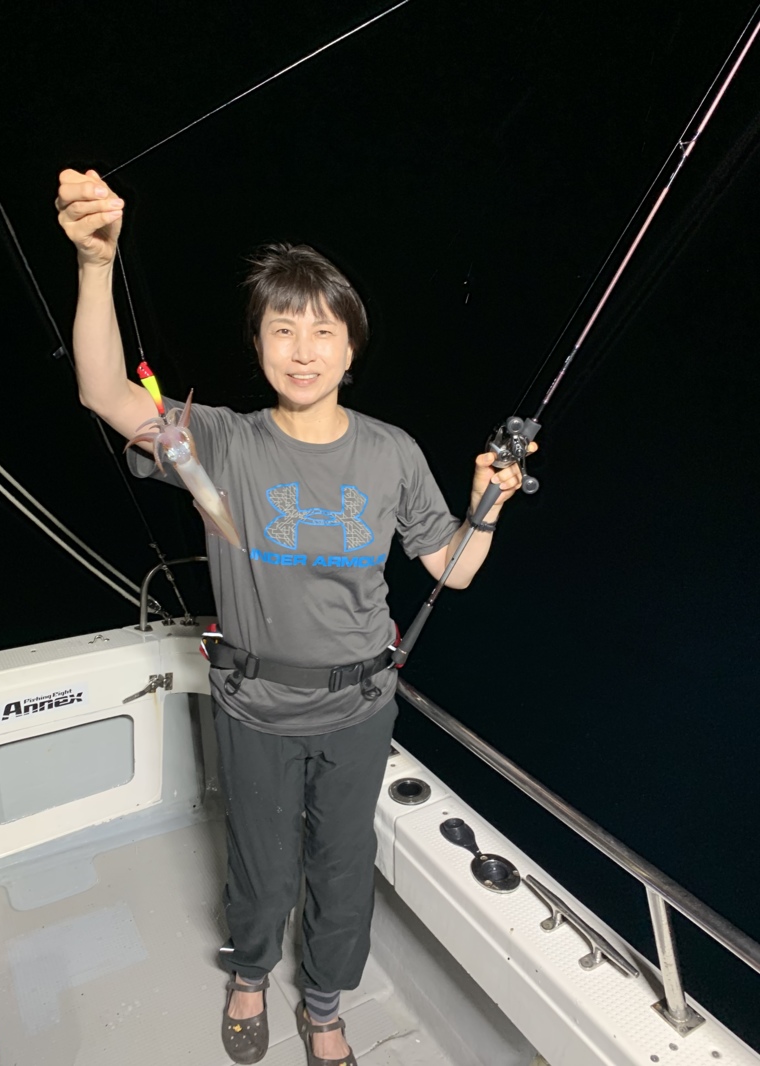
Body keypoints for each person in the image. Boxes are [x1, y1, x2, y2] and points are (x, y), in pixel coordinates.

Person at [56, 168, 534, 1066]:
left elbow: (453, 568)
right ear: (259, 345)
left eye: (323, 331)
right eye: (283, 329)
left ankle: (323, 1003)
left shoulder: (393, 452)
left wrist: (489, 503)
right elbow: (104, 392)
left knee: (344, 866)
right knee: (260, 863)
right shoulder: (220, 442)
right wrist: (94, 264)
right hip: (255, 707)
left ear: (352, 349)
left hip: (360, 708)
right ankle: (249, 974)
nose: (303, 350)